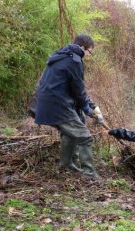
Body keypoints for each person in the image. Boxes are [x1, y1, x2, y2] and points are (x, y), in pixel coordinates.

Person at [34, 33, 103, 178]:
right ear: (83, 47)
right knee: (84, 136)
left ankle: (66, 163)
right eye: (89, 51)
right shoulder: (75, 61)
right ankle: (89, 172)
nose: (89, 55)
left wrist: (92, 107)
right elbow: (78, 90)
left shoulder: (62, 54)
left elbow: (74, 89)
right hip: (57, 104)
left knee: (71, 131)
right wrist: (88, 110)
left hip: (45, 101)